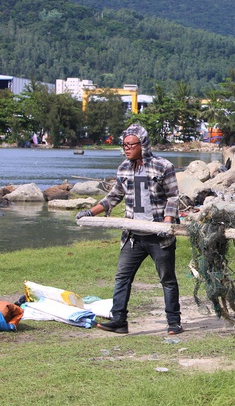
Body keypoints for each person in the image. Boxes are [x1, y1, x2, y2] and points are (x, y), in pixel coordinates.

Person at [76, 124, 182, 335]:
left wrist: (167, 223)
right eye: (124, 145)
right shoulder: (124, 168)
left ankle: (174, 322)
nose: (127, 148)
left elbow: (173, 196)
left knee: (167, 279)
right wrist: (90, 212)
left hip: (158, 236)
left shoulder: (163, 166)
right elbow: (113, 196)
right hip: (133, 236)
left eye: (131, 145)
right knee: (122, 277)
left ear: (143, 145)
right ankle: (119, 321)